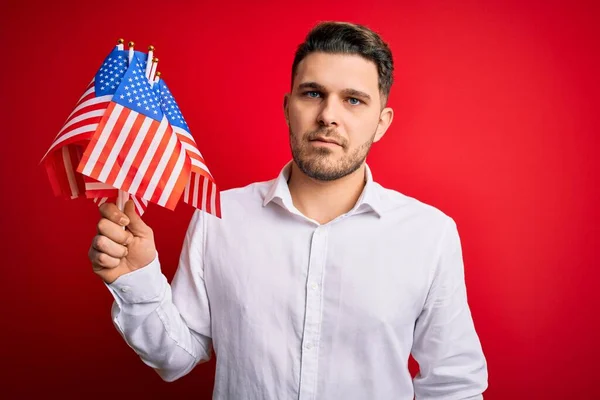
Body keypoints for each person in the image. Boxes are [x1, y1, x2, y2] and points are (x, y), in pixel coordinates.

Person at [89, 21, 488, 400]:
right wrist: (136, 280)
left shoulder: (428, 235)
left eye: (353, 100)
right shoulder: (219, 216)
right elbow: (175, 358)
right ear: (287, 107)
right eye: (313, 93)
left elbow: (453, 385)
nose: (329, 115)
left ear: (381, 122)